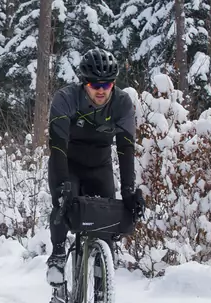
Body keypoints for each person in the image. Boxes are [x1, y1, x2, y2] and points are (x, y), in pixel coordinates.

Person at [45, 48, 146, 285]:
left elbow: (125, 148)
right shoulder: (66, 99)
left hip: (99, 166)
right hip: (68, 161)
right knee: (62, 206)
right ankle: (58, 255)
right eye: (94, 84)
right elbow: (58, 146)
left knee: (107, 220)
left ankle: (102, 288)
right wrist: (62, 186)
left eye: (107, 85)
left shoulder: (122, 103)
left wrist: (129, 191)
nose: (101, 90)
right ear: (84, 83)